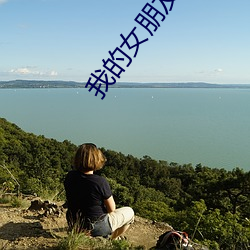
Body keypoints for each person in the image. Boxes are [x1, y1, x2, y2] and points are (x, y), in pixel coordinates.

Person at [64, 143, 134, 239]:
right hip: (95, 227)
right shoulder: (100, 182)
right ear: (97, 160)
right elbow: (112, 209)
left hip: (74, 225)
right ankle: (112, 239)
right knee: (130, 212)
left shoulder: (70, 176)